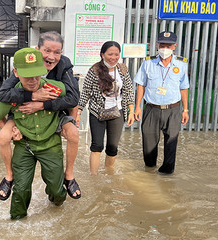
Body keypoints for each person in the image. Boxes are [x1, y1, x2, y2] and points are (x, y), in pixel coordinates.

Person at [0, 31, 81, 201]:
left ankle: (69, 176)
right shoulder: (26, 62)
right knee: (4, 136)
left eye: (57, 52)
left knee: (73, 133)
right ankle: (9, 176)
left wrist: (42, 104)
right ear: (37, 50)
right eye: (47, 51)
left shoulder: (63, 65)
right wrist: (32, 97)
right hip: (23, 113)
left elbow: (73, 98)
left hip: (54, 112)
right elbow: (3, 95)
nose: (52, 57)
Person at [0, 48, 68, 219]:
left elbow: (71, 98)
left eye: (37, 74)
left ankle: (55, 203)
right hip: (24, 146)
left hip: (50, 144)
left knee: (57, 190)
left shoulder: (53, 89)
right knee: (21, 189)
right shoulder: (11, 95)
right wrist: (12, 130)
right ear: (16, 73)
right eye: (28, 75)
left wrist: (67, 123)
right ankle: (17, 222)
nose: (33, 80)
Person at [134, 31, 189, 174]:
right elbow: (141, 84)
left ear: (174, 46)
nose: (165, 48)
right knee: (149, 144)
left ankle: (167, 174)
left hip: (173, 110)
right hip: (152, 109)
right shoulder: (148, 62)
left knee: (171, 143)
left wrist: (185, 110)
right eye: (162, 44)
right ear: (157, 45)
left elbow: (184, 88)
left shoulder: (182, 64)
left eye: (168, 45)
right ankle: (150, 170)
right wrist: (138, 107)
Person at [76, 41, 135, 175]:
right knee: (97, 146)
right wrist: (78, 112)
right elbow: (86, 92)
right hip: (97, 112)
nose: (113, 57)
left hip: (117, 112)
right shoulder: (94, 70)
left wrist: (131, 110)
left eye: (116, 54)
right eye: (110, 54)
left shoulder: (123, 69)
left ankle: (109, 175)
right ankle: (94, 177)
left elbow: (128, 91)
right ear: (102, 54)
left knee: (112, 147)